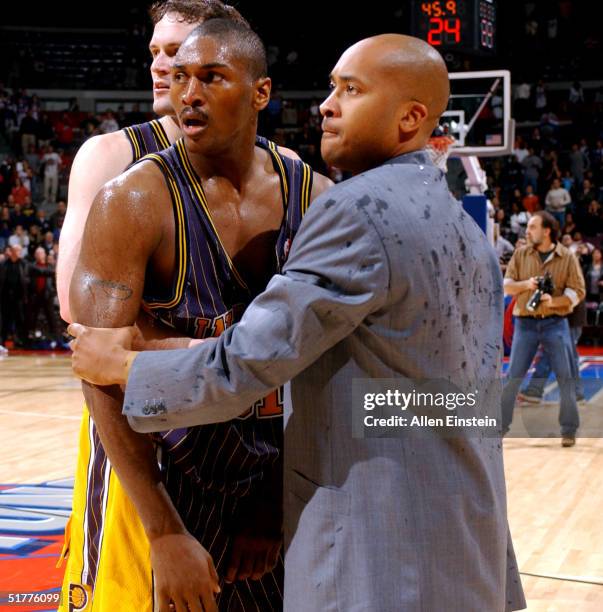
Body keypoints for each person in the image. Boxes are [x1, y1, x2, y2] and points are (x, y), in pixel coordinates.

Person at [70, 33, 526, 611]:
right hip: (465, 534)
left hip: (372, 544)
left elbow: (247, 362)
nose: (326, 105)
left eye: (350, 90)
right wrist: (165, 527)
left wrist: (131, 364)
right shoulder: (467, 232)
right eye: (332, 87)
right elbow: (459, 400)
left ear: (411, 118)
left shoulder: (350, 206)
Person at [66, 15, 332, 612]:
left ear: (261, 92)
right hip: (157, 468)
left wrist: (273, 498)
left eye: (212, 77)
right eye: (181, 76)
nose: (189, 94)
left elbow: (326, 368)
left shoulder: (315, 197)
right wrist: (162, 532)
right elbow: (99, 371)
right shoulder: (132, 199)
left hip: (272, 464)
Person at [501, 211, 585, 446]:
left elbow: (577, 290)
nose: (527, 231)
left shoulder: (566, 256)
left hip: (555, 323)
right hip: (525, 324)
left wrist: (554, 301)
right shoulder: (520, 254)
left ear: (546, 231)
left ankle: (569, 430)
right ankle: (500, 426)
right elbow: (506, 286)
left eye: (532, 227)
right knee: (512, 378)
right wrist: (526, 284)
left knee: (565, 377)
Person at [0, 244, 29, 349]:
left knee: (20, 321)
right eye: (16, 251)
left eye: (19, 251)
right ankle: (1, 343)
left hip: (19, 299)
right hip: (5, 298)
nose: (18, 253)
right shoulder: (3, 264)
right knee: (5, 321)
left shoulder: (24, 264)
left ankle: (20, 342)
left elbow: (33, 273)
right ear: (11, 251)